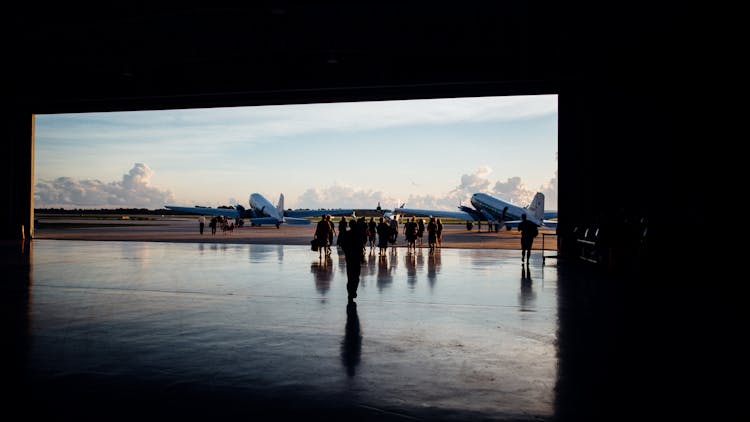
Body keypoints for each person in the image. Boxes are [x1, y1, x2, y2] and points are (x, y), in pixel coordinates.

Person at [339, 219, 363, 303]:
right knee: (356, 277)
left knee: (350, 276)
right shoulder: (358, 234)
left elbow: (342, 245)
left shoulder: (346, 234)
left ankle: (350, 293)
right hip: (356, 258)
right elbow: (361, 247)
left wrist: (347, 252)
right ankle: (354, 291)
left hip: (349, 257)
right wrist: (362, 257)